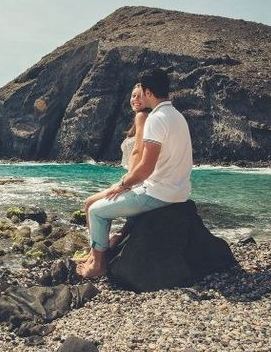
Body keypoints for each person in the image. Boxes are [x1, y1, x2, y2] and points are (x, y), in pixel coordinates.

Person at [76, 68, 194, 278]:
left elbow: (145, 169)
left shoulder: (155, 119)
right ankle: (104, 249)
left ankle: (98, 266)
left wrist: (122, 184)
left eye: (142, 92)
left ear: (149, 92)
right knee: (102, 205)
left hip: (158, 194)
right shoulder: (177, 116)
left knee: (95, 210)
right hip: (179, 192)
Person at [73, 84, 150, 263]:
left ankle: (95, 256)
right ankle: (103, 248)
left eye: (140, 96)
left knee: (89, 203)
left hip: (134, 179)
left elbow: (138, 151)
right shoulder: (144, 117)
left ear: (147, 97)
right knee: (124, 225)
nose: (135, 100)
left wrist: (126, 182)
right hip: (136, 178)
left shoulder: (142, 117)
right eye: (133, 96)